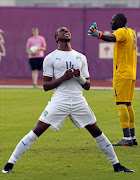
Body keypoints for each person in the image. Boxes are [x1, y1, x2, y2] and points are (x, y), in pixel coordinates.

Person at [2, 27, 134, 174]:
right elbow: (46, 86)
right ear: (56, 38)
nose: (66, 30)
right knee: (37, 131)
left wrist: (79, 77)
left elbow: (88, 86)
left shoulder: (81, 57)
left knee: (97, 132)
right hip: (60, 101)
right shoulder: (50, 58)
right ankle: (9, 164)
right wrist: (63, 78)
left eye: (67, 30)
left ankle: (117, 165)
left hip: (78, 101)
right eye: (61, 30)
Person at [88, 14, 137, 146]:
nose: (110, 23)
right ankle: (132, 137)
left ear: (119, 22)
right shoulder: (131, 32)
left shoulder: (121, 31)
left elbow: (111, 38)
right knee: (128, 104)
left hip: (122, 74)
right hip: (131, 73)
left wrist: (98, 34)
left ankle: (126, 139)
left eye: (113, 20)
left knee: (121, 104)